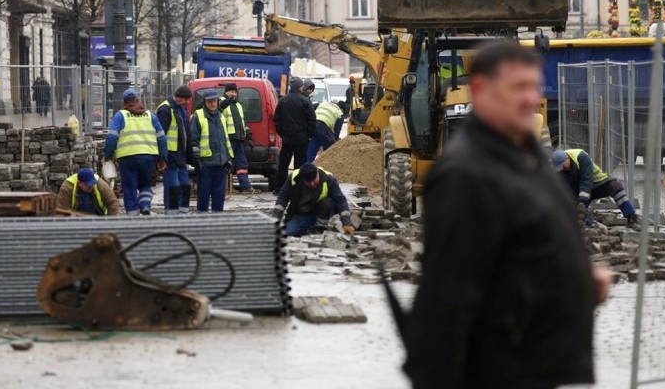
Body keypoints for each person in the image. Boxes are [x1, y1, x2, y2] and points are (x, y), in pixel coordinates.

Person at [403, 41, 610, 389]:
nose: (530, 99)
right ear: (481, 89)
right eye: (518, 88)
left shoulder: (525, 154)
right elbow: (450, 296)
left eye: (534, 87)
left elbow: (520, 247)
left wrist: (577, 279)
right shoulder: (466, 174)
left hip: (535, 363)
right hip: (500, 368)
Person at [104, 89, 168, 216]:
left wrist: (107, 156)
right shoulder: (150, 115)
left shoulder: (120, 116)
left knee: (129, 188)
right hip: (148, 157)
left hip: (128, 158)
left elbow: (111, 138)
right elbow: (161, 138)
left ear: (124, 102)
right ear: (138, 100)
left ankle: (132, 215)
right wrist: (162, 158)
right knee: (145, 185)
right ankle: (145, 206)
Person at [552, 148, 640, 228]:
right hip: (579, 190)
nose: (562, 169)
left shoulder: (581, 157)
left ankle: (631, 217)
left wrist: (581, 205)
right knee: (575, 211)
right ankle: (590, 225)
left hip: (596, 184)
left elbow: (586, 182)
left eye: (563, 166)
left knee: (615, 186)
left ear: (567, 158)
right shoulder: (560, 170)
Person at [271, 163, 355, 237]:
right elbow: (282, 199)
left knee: (327, 203)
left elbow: (340, 201)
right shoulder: (293, 178)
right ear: (303, 178)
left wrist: (347, 223)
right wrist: (274, 221)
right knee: (287, 233)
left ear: (317, 173)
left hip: (322, 212)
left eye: (314, 180)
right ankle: (308, 229)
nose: (312, 183)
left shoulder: (328, 179)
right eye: (308, 182)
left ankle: (319, 229)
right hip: (303, 214)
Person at [190, 89, 234, 213]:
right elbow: (194, 139)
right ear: (205, 102)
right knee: (204, 192)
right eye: (209, 101)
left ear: (218, 101)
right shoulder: (198, 116)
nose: (212, 104)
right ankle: (202, 219)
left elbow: (225, 139)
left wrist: (229, 158)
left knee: (219, 193)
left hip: (220, 163)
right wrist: (196, 159)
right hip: (205, 163)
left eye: (214, 101)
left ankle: (216, 218)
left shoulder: (220, 116)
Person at [272, 77, 316, 194]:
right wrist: (309, 135)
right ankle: (298, 188)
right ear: (301, 87)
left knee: (283, 164)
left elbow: (276, 120)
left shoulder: (282, 101)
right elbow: (312, 120)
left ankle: (279, 189)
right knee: (300, 165)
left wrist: (282, 134)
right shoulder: (305, 101)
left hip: (287, 139)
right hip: (302, 139)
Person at [156, 85, 194, 215]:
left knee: (184, 186)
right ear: (180, 98)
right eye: (186, 99)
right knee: (173, 188)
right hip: (171, 157)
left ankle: (182, 214)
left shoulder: (179, 108)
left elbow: (185, 133)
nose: (188, 102)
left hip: (180, 157)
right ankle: (171, 216)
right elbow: (160, 136)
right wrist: (162, 157)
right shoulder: (166, 109)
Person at [220, 82, 255, 194]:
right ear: (226, 92)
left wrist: (248, 135)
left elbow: (242, 122)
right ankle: (227, 188)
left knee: (241, 163)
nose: (234, 94)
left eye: (235, 92)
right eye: (231, 91)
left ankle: (245, 186)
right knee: (227, 163)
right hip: (227, 138)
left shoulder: (238, 105)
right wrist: (227, 101)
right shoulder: (221, 101)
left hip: (238, 138)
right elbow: (219, 110)